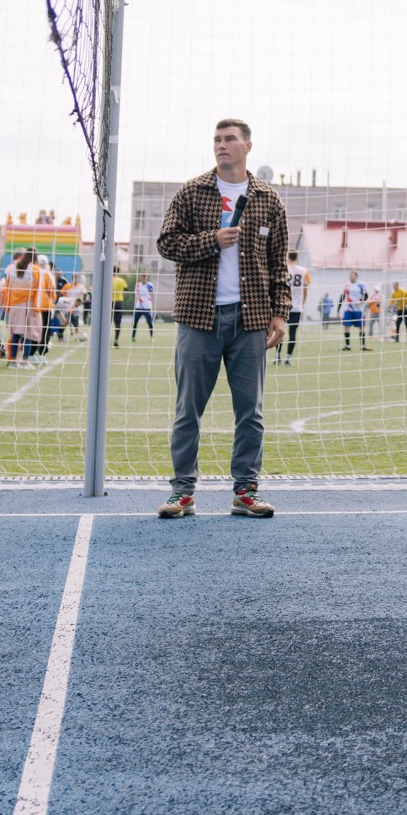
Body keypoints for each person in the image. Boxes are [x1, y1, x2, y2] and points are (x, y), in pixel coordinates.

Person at [153, 118, 290, 519]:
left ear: (248, 145)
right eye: (217, 139)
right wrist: (210, 240)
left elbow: (277, 263)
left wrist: (280, 313)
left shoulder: (268, 199)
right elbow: (167, 243)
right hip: (199, 318)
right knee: (187, 409)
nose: (221, 145)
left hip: (250, 320)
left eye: (230, 139)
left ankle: (245, 490)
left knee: (251, 410)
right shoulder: (193, 193)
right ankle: (183, 492)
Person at [280, 254, 307, 365]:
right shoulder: (303, 271)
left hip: (283, 305)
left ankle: (277, 356)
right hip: (296, 307)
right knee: (292, 333)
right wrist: (303, 303)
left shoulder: (283, 268)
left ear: (287, 257)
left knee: (280, 331)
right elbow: (305, 288)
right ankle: (288, 358)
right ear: (297, 257)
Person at [339, 273, 369, 350]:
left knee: (361, 326)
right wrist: (338, 309)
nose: (351, 277)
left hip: (358, 309)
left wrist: (361, 301)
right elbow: (342, 296)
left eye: (352, 275)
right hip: (348, 309)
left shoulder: (361, 284)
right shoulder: (346, 285)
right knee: (346, 326)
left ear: (356, 276)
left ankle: (362, 346)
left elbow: (366, 296)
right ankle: (347, 346)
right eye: (350, 275)